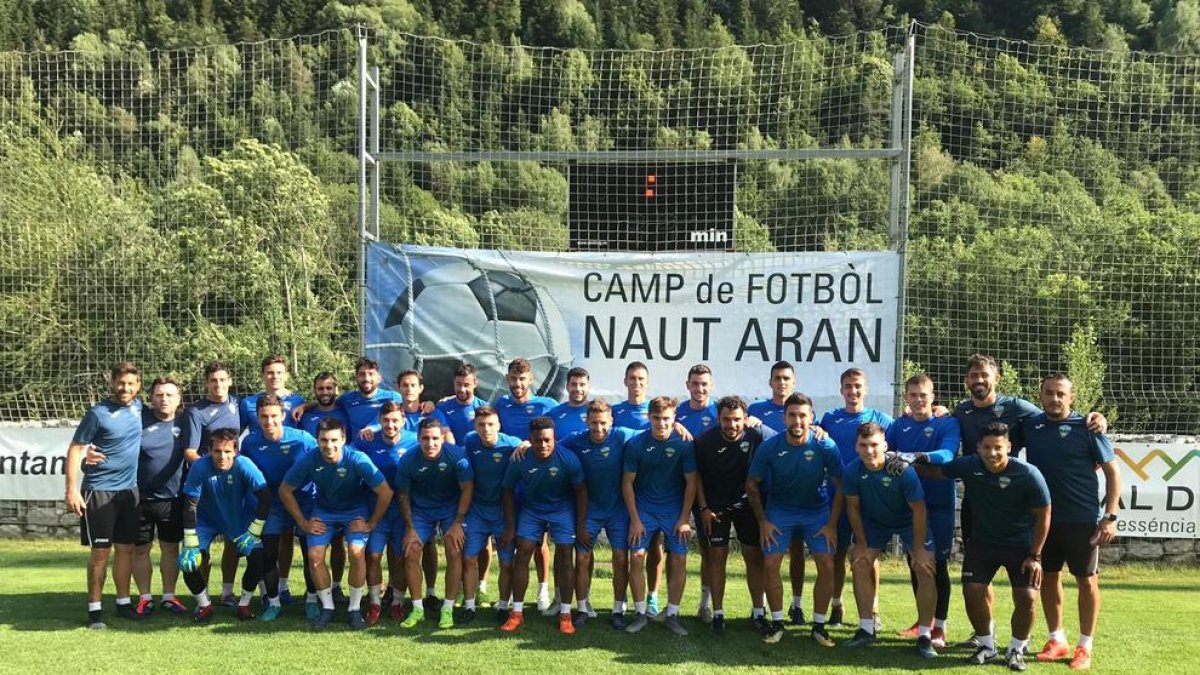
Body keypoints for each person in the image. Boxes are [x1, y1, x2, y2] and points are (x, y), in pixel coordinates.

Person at [914, 422, 1051, 671]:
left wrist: (1035, 555)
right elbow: (935, 472)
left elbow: (1044, 514)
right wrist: (902, 462)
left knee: (1027, 597)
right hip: (983, 543)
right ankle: (987, 645)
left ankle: (1016, 649)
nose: (992, 453)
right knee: (973, 591)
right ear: (978, 448)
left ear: (1009, 446)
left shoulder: (1028, 474)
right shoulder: (969, 465)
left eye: (998, 447)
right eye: (987, 447)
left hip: (1021, 545)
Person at [1022, 374, 1120, 671]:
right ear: (1040, 396)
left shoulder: (1089, 427)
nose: (1054, 398)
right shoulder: (1031, 425)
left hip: (1083, 520)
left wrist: (1111, 517)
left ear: (1071, 397)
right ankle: (1057, 639)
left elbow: (1113, 474)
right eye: (1049, 393)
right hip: (1045, 520)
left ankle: (1085, 646)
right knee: (1048, 577)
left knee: (1087, 581)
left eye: (1060, 394)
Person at [279, 417, 393, 630]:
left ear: (343, 440)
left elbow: (385, 491)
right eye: (324, 440)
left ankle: (354, 609)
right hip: (325, 511)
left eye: (333, 440)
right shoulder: (310, 459)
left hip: (355, 512)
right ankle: (328, 608)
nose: (328, 445)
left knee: (357, 553)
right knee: (314, 557)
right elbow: (285, 490)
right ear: (317, 440)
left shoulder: (357, 459)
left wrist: (370, 523)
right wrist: (303, 523)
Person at [747, 392, 842, 646]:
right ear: (784, 417)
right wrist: (763, 521)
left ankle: (819, 626)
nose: (797, 421)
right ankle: (777, 624)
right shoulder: (771, 446)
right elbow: (752, 483)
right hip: (780, 512)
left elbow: (841, 484)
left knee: (827, 565)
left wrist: (832, 524)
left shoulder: (825, 445)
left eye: (802, 415)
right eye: (792, 415)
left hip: (817, 513)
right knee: (770, 564)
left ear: (811, 418)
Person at [841, 422, 938, 658]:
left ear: (885, 445)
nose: (869, 450)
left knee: (924, 568)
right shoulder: (853, 470)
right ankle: (866, 628)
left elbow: (919, 509)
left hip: (908, 521)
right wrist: (861, 545)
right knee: (860, 563)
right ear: (856, 446)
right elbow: (852, 509)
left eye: (874, 445)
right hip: (874, 523)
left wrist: (918, 550)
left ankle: (925, 636)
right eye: (863, 445)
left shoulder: (901, 469)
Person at [65, 362, 144, 629]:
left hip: (129, 491)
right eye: (121, 383)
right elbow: (75, 448)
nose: (125, 388)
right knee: (101, 552)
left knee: (126, 550)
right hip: (99, 491)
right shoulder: (97, 413)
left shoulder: (139, 407)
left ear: (138, 386)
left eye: (131, 384)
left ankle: (123, 603)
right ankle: (95, 611)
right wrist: (72, 489)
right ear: (112, 383)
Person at [886, 373, 960, 648]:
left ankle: (939, 628)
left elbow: (949, 455)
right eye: (913, 395)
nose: (918, 400)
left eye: (923, 395)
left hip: (938, 506)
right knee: (915, 563)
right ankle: (923, 623)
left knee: (937, 565)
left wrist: (916, 457)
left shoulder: (946, 423)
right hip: (908, 506)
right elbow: (885, 449)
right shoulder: (899, 425)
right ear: (906, 397)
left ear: (933, 397)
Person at [499, 417, 587, 634]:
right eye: (538, 440)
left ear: (554, 438)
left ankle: (566, 614)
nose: (543, 445)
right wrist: (510, 527)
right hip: (532, 510)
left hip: (561, 510)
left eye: (548, 440)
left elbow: (581, 491)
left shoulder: (567, 459)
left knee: (566, 556)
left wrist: (581, 525)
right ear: (530, 440)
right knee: (523, 553)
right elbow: (507, 490)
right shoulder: (520, 459)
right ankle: (517, 613)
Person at [693, 396, 773, 635]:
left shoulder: (757, 434)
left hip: (748, 505)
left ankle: (759, 612)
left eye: (737, 419)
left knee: (754, 556)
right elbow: (696, 477)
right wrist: (704, 508)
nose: (732, 424)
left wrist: (815, 429)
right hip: (716, 508)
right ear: (718, 418)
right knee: (716, 558)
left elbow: (785, 436)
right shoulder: (704, 441)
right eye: (726, 419)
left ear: (745, 418)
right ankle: (717, 614)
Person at [820, 368, 893, 627]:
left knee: (867, 554)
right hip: (836, 497)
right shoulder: (829, 419)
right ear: (842, 390)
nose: (853, 391)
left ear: (866, 388)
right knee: (836, 555)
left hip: (870, 498)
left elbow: (898, 437)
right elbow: (812, 434)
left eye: (858, 386)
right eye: (848, 386)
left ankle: (872, 610)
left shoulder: (881, 419)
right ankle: (836, 606)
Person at [240, 394, 320, 621]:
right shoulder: (250, 443)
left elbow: (322, 461)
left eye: (274, 416)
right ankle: (273, 602)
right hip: (273, 504)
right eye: (264, 416)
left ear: (283, 415)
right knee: (268, 553)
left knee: (309, 553)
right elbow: (244, 473)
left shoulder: (303, 439)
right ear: (257, 417)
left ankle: (312, 600)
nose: (269, 421)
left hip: (304, 501)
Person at [177, 428, 270, 623]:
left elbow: (265, 498)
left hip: (239, 520)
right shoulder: (200, 467)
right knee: (188, 562)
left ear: (236, 451)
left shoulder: (245, 465)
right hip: (205, 522)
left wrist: (255, 530)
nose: (222, 456)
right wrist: (190, 538)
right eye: (217, 451)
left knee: (257, 558)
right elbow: (190, 505)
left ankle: (244, 605)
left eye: (227, 451)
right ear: (209, 451)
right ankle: (204, 605)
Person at [621, 396, 697, 637]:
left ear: (674, 419)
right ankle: (641, 613)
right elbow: (627, 484)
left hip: (675, 511)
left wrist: (684, 518)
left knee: (679, 560)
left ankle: (672, 614)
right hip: (644, 510)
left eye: (666, 419)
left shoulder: (684, 444)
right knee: (636, 557)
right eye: (657, 418)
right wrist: (635, 519)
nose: (661, 424)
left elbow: (692, 483)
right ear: (649, 418)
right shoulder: (636, 444)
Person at [561, 399, 638, 629]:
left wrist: (677, 426)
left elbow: (652, 432)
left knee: (621, 559)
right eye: (594, 423)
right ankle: (583, 608)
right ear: (587, 421)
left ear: (611, 420)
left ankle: (617, 610)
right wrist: (524, 445)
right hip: (589, 511)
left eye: (603, 423)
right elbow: (551, 446)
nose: (598, 428)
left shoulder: (623, 435)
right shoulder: (575, 440)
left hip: (618, 510)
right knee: (582, 558)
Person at [395, 418, 474, 630]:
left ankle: (447, 608)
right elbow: (403, 494)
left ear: (442, 438)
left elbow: (467, 488)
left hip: (450, 508)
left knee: (454, 548)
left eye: (435, 438)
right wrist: (410, 529)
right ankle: (418, 608)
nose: (430, 443)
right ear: (418, 438)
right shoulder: (409, 460)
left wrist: (458, 522)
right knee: (411, 550)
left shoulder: (456, 456)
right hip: (421, 510)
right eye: (425, 438)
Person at [747, 360, 809, 625]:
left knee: (797, 550)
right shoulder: (755, 410)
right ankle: (759, 607)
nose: (781, 382)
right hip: (764, 492)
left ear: (792, 382)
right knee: (767, 551)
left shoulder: (801, 411)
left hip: (794, 494)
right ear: (770, 382)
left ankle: (797, 604)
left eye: (786, 378)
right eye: (777, 378)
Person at [494, 357, 557, 612]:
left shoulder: (547, 405)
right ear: (508, 379)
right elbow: (482, 417)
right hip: (510, 481)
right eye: (513, 379)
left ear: (531, 380)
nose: (518, 384)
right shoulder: (500, 404)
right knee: (509, 536)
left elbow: (555, 439)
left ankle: (543, 590)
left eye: (522, 379)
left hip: (537, 482)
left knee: (539, 541)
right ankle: (506, 593)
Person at [183, 362, 245, 607]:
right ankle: (203, 595)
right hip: (206, 488)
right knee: (202, 547)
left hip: (232, 486)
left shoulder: (238, 404)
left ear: (229, 380)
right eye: (213, 380)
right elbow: (189, 450)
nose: (218, 385)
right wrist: (211, 468)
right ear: (206, 383)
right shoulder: (196, 411)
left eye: (222, 380)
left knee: (232, 541)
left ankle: (227, 592)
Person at [129, 376, 190, 617]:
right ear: (151, 398)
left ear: (179, 399)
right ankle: (145, 598)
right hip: (140, 499)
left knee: (170, 549)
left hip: (173, 499)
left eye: (169, 395)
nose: (164, 399)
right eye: (159, 395)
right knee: (140, 550)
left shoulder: (187, 422)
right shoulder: (138, 420)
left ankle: (169, 596)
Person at [358, 401, 419, 626]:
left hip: (404, 512)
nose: (390, 424)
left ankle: (396, 603)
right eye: (385, 420)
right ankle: (375, 603)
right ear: (379, 420)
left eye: (395, 420)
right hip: (376, 510)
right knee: (372, 555)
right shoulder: (368, 440)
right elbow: (347, 454)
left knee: (399, 557)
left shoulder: (414, 440)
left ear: (403, 419)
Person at [460, 406, 521, 623]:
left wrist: (525, 445)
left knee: (506, 562)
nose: (486, 429)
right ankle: (469, 606)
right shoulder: (470, 441)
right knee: (468, 558)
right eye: (481, 425)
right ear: (475, 426)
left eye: (490, 424)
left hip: (503, 511)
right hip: (477, 510)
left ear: (499, 425)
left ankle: (504, 606)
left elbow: (529, 445)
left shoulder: (511, 444)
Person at [296, 371, 351, 606]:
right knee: (313, 539)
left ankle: (336, 586)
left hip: (341, 482)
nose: (325, 392)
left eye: (329, 388)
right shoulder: (305, 415)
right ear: (314, 390)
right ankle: (314, 592)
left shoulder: (345, 408)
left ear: (336, 390)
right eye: (321, 388)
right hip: (312, 486)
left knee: (339, 542)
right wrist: (305, 406)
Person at [239, 355, 305, 435]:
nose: (275, 376)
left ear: (286, 376)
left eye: (279, 373)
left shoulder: (298, 401)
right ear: (262, 375)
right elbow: (237, 435)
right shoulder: (248, 403)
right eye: (270, 373)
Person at [433, 362, 487, 443]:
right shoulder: (443, 407)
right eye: (458, 384)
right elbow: (444, 434)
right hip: (452, 453)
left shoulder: (484, 408)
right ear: (454, 383)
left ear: (475, 384)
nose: (462, 389)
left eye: (466, 385)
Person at [547, 367, 592, 439]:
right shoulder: (554, 413)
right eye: (574, 384)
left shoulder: (597, 412)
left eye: (582, 384)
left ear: (589, 387)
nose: (578, 389)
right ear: (567, 387)